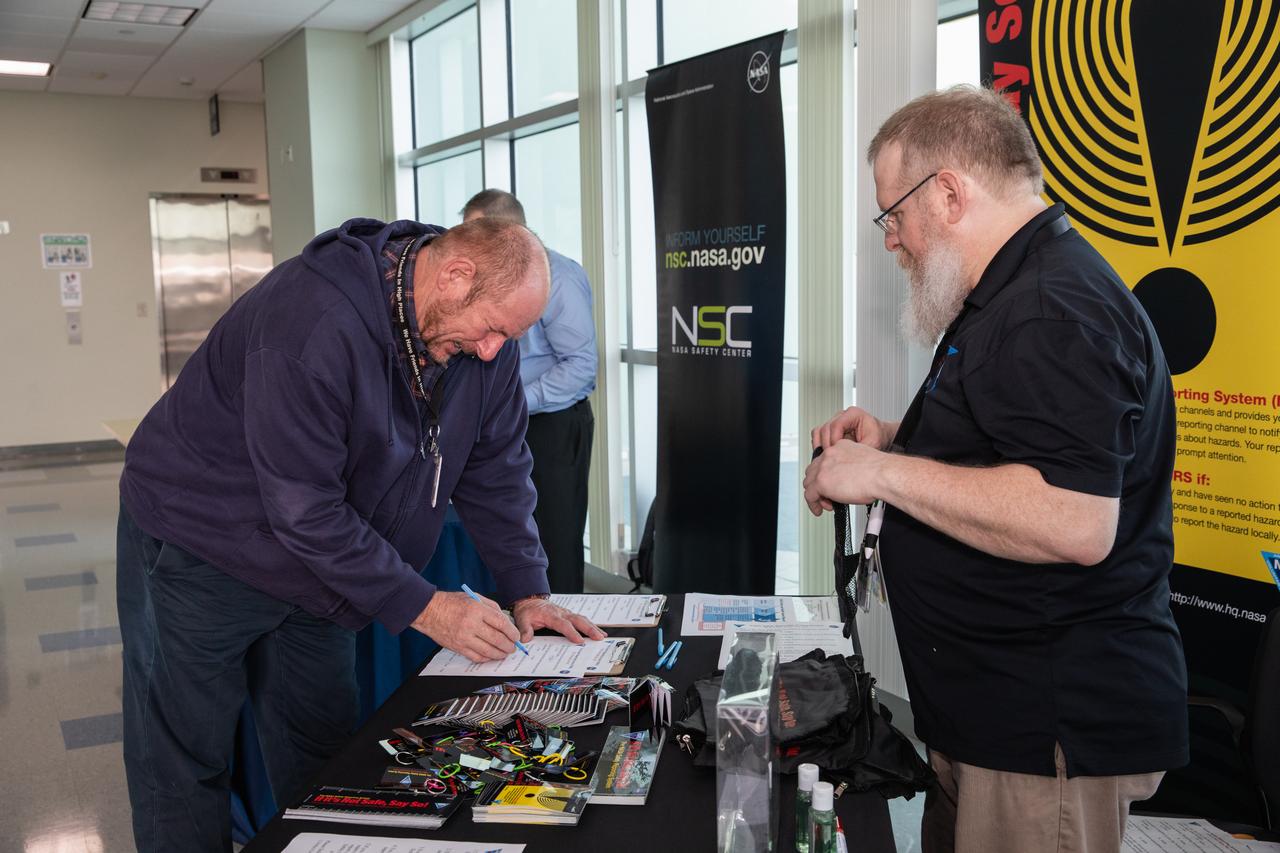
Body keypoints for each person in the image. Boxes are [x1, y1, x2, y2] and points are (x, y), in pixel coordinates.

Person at [117, 215, 606, 853]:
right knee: (185, 758)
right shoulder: (313, 320)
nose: (494, 351)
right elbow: (305, 509)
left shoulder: (477, 339)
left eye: (508, 337)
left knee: (323, 751)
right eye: (491, 330)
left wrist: (527, 591)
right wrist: (426, 607)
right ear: (455, 275)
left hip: (325, 564)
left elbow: (498, 472)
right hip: (201, 542)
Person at [803, 86, 1188, 853]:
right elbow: (1005, 453)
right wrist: (888, 440)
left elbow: (1076, 520)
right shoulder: (1011, 294)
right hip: (992, 723)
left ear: (947, 193)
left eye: (893, 215)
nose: (892, 239)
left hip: (1042, 737)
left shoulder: (1050, 307)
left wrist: (881, 477)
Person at [462, 189, 598, 594]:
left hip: (551, 424)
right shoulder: (482, 280)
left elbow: (580, 367)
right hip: (502, 420)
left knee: (554, 537)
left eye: (476, 232)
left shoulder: (559, 278)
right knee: (505, 531)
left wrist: (515, 401)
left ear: (507, 229)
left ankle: (569, 639)